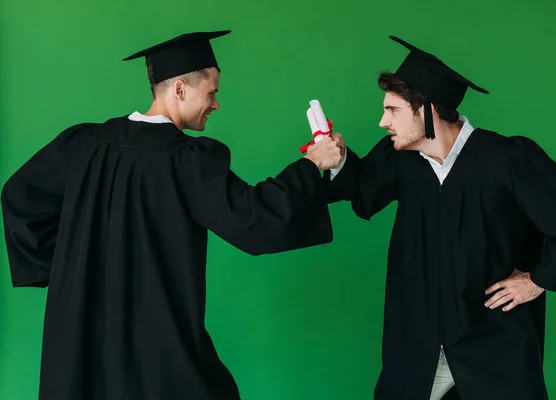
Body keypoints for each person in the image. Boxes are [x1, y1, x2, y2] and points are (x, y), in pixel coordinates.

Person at [1, 30, 343, 400]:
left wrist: (72, 269)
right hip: (155, 346)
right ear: (180, 89)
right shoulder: (185, 161)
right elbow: (253, 218)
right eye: (211, 92)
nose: (216, 104)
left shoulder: (85, 145)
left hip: (79, 340)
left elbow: (19, 195)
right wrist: (312, 165)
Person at [326, 36, 556, 400]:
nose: (382, 121)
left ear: (428, 110)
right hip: (418, 350)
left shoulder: (505, 159)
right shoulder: (401, 159)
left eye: (393, 110)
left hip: (493, 348)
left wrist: (538, 280)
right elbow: (364, 193)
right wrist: (338, 157)